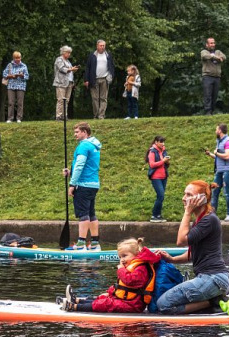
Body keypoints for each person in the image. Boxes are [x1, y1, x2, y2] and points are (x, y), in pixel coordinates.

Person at [155, 180, 229, 314]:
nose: (184, 198)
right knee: (168, 302)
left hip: (213, 278)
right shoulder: (201, 220)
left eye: (189, 195)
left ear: (202, 199)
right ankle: (213, 301)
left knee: (164, 304)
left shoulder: (209, 220)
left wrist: (187, 212)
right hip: (212, 279)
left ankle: (214, 302)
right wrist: (171, 259)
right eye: (184, 194)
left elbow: (181, 241)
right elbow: (193, 254)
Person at [59, 237, 161, 312]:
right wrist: (110, 292)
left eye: (125, 256)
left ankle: (74, 307)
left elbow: (130, 281)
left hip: (134, 305)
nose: (122, 260)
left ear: (136, 255)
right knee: (103, 297)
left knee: (105, 304)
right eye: (120, 257)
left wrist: (121, 269)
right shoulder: (133, 266)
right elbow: (123, 286)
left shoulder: (141, 268)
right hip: (127, 301)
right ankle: (76, 300)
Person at [62, 122, 102, 250]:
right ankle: (95, 243)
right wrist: (70, 172)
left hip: (83, 185)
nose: (75, 135)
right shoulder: (94, 145)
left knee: (83, 214)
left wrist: (72, 184)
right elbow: (87, 166)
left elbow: (80, 165)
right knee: (91, 213)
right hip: (94, 184)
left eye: (77, 132)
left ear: (85, 132)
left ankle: (81, 244)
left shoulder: (83, 146)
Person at [206, 123, 229, 221]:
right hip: (219, 170)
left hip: (227, 170)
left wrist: (216, 152)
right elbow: (219, 157)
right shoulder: (219, 141)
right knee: (214, 191)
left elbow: (227, 156)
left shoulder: (228, 142)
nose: (215, 131)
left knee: (227, 192)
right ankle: (212, 214)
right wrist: (211, 154)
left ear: (220, 130)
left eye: (216, 129)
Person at [84, 39, 115, 119]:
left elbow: (112, 66)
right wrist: (86, 80)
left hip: (105, 79)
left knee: (103, 98)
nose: (102, 47)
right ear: (97, 46)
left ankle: (101, 115)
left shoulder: (108, 55)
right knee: (95, 98)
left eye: (104, 45)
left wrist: (111, 75)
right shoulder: (92, 55)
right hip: (94, 79)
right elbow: (88, 67)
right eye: (101, 45)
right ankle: (96, 115)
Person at [146, 135, 170, 223]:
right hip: (156, 177)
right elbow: (152, 164)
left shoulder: (163, 150)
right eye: (161, 142)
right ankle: (154, 215)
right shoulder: (152, 151)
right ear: (156, 142)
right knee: (161, 195)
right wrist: (163, 161)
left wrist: (167, 161)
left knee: (161, 196)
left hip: (164, 176)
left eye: (163, 142)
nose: (163, 144)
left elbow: (165, 164)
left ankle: (158, 215)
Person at [201, 37, 226, 115]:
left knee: (214, 95)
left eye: (214, 43)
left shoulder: (218, 51)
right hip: (207, 76)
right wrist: (216, 57)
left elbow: (224, 57)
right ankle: (207, 111)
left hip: (217, 77)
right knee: (207, 95)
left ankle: (212, 111)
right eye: (211, 43)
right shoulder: (204, 51)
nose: (213, 44)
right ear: (207, 44)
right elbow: (205, 56)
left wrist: (218, 57)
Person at [53, 45, 78, 121]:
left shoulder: (68, 61)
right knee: (61, 99)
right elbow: (62, 69)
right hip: (61, 82)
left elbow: (69, 71)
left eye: (70, 53)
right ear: (63, 52)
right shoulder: (59, 59)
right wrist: (71, 69)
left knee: (66, 100)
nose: (69, 54)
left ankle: (64, 115)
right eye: (68, 52)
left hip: (69, 82)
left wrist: (73, 70)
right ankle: (58, 116)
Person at [3, 51, 29, 123]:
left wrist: (22, 75)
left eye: (19, 58)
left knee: (20, 103)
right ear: (13, 58)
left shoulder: (24, 66)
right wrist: (11, 76)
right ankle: (10, 118)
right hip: (11, 86)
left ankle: (19, 118)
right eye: (16, 58)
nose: (18, 59)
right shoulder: (9, 65)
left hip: (21, 86)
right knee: (11, 102)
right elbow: (4, 74)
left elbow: (27, 76)